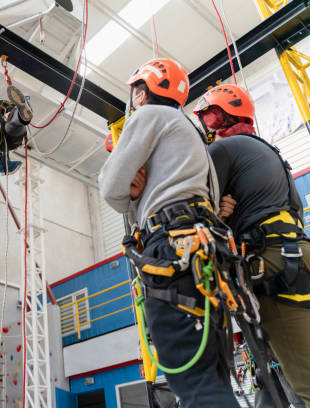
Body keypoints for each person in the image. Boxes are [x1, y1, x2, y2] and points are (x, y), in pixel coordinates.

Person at [99, 58, 241, 407]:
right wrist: (135, 197)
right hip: (205, 254)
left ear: (143, 92)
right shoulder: (192, 136)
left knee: (195, 386)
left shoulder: (147, 117)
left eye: (135, 92)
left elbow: (109, 187)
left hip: (172, 251)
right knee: (213, 380)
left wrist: (131, 196)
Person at [194, 84, 310, 408]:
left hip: (278, 270)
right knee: (283, 376)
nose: (207, 127)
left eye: (210, 118)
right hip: (307, 258)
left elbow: (195, 206)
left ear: (225, 118)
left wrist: (216, 214)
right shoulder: (269, 154)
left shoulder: (224, 151)